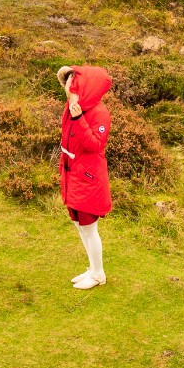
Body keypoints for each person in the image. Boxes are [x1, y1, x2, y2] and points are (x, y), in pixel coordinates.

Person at [57, 64, 112, 289]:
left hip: (88, 178)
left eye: (72, 84)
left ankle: (99, 275)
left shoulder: (99, 113)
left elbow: (95, 144)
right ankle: (92, 268)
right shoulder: (72, 106)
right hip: (73, 175)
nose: (68, 88)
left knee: (90, 229)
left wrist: (79, 118)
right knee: (80, 226)